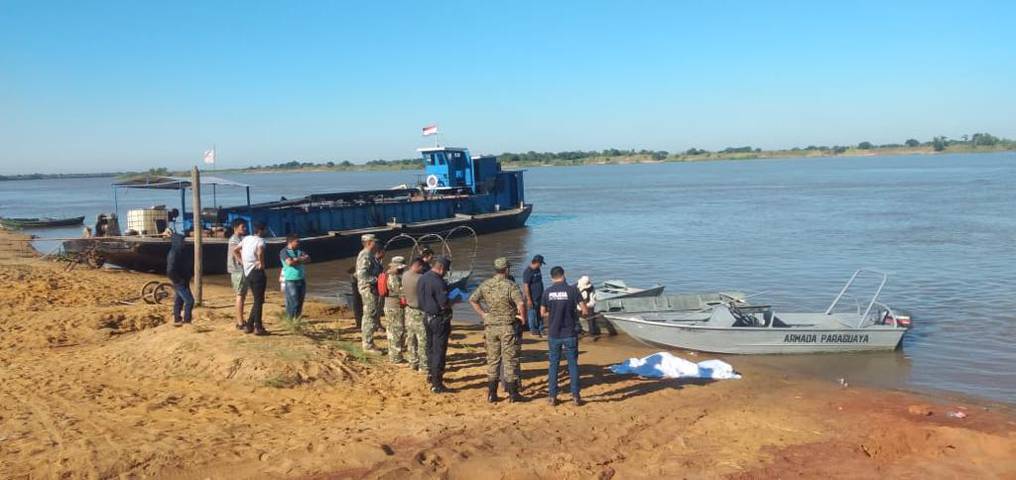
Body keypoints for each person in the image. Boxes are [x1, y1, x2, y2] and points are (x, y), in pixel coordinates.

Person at [469, 257, 526, 403]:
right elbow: (520, 303)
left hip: (491, 327)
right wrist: (523, 318)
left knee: (493, 360)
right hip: (507, 327)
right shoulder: (511, 285)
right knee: (510, 360)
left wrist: (483, 314)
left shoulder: (486, 285)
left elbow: (472, 299)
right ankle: (513, 394)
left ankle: (492, 394)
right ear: (507, 269)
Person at [541, 266, 588, 406]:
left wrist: (553, 314)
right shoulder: (573, 290)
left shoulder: (547, 292)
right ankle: (575, 397)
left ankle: (552, 397)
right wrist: (576, 313)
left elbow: (542, 313)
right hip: (570, 333)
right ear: (564, 275)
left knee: (553, 364)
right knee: (572, 364)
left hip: (554, 333)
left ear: (551, 277)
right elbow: (585, 310)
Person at [418, 256, 452, 393]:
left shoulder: (423, 278)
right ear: (441, 268)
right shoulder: (439, 282)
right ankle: (437, 384)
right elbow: (444, 303)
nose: (446, 273)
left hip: (427, 317)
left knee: (430, 347)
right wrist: (454, 300)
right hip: (439, 319)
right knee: (439, 350)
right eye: (446, 270)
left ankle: (431, 375)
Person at [241, 221, 269, 336]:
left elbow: (236, 250)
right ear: (261, 230)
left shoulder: (246, 238)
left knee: (258, 300)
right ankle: (258, 326)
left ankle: (249, 325)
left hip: (248, 272)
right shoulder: (261, 241)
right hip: (257, 272)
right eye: (265, 230)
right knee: (259, 300)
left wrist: (242, 262)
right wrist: (261, 263)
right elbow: (261, 251)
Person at [355, 234, 381, 353]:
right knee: (370, 315)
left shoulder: (370, 255)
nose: (377, 244)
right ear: (369, 242)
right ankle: (367, 344)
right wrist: (377, 280)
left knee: (371, 314)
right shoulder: (365, 255)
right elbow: (362, 274)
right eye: (375, 242)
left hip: (371, 288)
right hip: (368, 288)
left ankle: (369, 341)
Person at [401, 257, 428, 374]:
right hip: (419, 312)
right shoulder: (421, 279)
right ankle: (424, 366)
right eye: (422, 268)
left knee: (411, 338)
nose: (423, 270)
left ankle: (413, 362)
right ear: (418, 266)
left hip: (408, 311)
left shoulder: (405, 275)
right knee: (423, 340)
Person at [165, 233, 195, 326]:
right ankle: (187, 321)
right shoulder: (173, 253)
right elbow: (170, 270)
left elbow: (186, 265)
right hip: (179, 281)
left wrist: (189, 274)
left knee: (179, 300)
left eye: (184, 241)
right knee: (190, 301)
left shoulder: (182, 251)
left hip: (184, 279)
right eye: (182, 241)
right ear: (177, 242)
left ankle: (177, 319)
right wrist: (177, 280)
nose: (184, 243)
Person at [383, 256, 408, 364]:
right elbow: (400, 292)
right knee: (396, 331)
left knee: (392, 331)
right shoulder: (394, 277)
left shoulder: (389, 274)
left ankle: (393, 356)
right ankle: (396, 358)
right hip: (394, 307)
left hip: (390, 306)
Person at [280, 234, 310, 319]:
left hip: (301, 279)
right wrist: (300, 259)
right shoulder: (284, 252)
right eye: (297, 241)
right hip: (291, 280)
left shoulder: (299, 250)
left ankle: (296, 320)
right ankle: (290, 319)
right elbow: (289, 263)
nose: (298, 243)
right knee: (293, 302)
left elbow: (308, 259)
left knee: (300, 302)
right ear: (290, 242)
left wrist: (296, 259)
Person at [228, 218, 248, 330]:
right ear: (236, 228)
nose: (245, 229)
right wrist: (244, 263)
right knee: (240, 295)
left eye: (245, 227)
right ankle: (240, 322)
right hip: (237, 271)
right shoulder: (234, 240)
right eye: (242, 227)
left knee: (242, 295)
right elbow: (236, 253)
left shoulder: (242, 238)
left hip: (241, 270)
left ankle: (241, 320)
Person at [523, 254, 546, 337]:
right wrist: (529, 299)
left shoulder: (538, 269)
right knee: (532, 313)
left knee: (540, 313)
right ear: (536, 262)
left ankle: (541, 328)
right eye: (540, 263)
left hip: (540, 295)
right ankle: (533, 330)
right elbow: (526, 286)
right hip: (532, 297)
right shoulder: (528, 271)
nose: (541, 265)